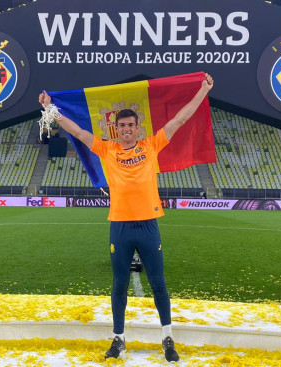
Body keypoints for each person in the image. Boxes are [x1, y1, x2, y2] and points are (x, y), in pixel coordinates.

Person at [38, 73, 214, 362]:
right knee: (119, 284)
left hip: (148, 225)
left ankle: (167, 338)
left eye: (131, 125)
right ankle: (118, 340)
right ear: (116, 129)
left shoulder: (151, 145)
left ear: (138, 127)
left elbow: (179, 120)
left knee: (158, 283)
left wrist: (202, 91)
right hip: (119, 226)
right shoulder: (108, 149)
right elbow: (80, 133)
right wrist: (51, 110)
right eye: (122, 125)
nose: (127, 129)